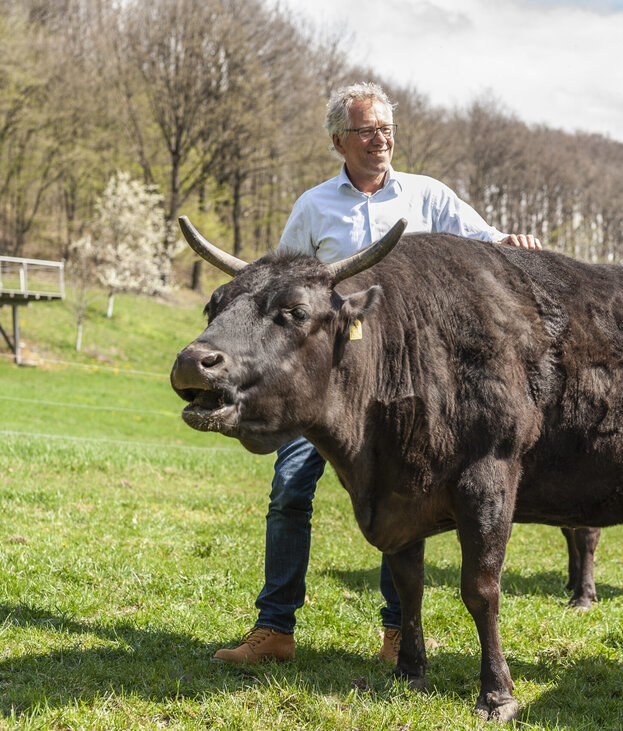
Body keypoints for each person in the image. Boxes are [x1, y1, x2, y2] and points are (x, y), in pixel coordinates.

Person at [212, 82, 540, 665]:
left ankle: (398, 633)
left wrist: (509, 241)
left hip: (404, 383)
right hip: (324, 380)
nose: (380, 139)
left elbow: (484, 242)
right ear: (339, 139)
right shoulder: (315, 206)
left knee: (403, 500)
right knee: (290, 489)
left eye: (386, 128)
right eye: (366, 130)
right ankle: (275, 629)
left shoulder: (427, 197)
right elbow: (282, 282)